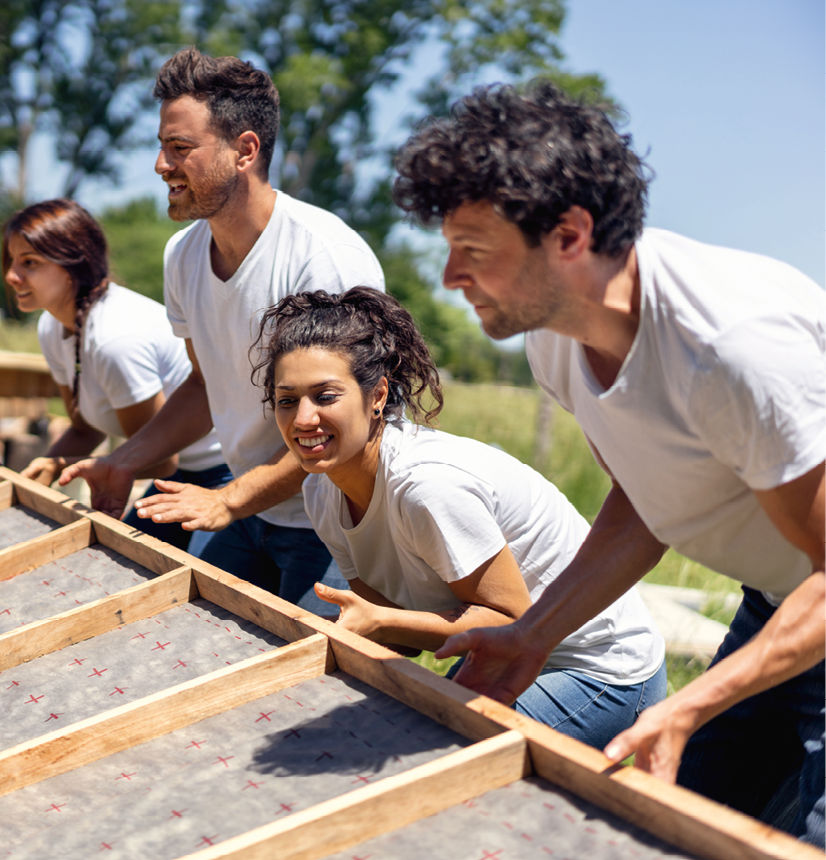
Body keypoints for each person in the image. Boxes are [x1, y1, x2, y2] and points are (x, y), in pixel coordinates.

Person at [391, 81, 826, 844]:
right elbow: (643, 499)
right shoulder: (554, 337)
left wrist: (688, 702)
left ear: (569, 235)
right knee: (677, 823)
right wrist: (532, 636)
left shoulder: (731, 349)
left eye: (475, 251)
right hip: (783, 604)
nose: (451, 277)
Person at [255, 286, 666, 748]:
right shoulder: (321, 491)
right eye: (287, 401)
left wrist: (376, 626)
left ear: (378, 396)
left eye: (325, 396)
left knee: (434, 758)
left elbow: (510, 622)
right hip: (500, 655)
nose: (303, 419)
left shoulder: (427, 487)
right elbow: (394, 629)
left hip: (596, 666)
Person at [59, 47, 384, 606]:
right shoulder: (182, 255)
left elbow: (342, 426)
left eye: (180, 148)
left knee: (306, 688)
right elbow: (205, 384)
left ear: (245, 151)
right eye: (162, 147)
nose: (162, 166)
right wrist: (122, 462)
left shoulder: (321, 259)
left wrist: (230, 500)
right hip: (250, 507)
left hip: (336, 521)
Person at [0, 199, 229, 549]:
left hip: (221, 473)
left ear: (73, 264)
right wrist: (40, 469)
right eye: (11, 261)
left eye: (29, 263)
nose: (11, 276)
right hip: (177, 474)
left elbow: (162, 460)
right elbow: (84, 428)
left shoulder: (115, 340)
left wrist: (65, 465)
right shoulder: (52, 326)